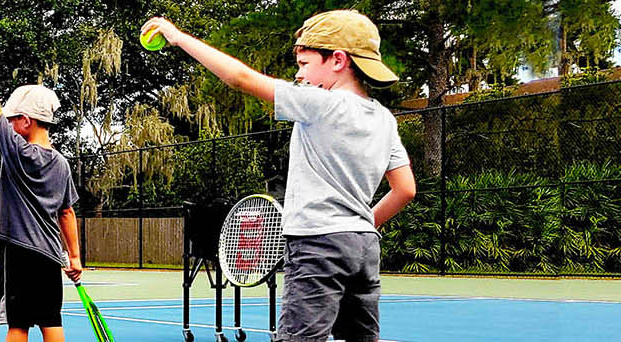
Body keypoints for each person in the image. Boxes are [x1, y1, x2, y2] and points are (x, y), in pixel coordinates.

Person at [141, 10, 418, 342]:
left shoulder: (320, 104)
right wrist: (358, 224)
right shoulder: (384, 119)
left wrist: (177, 36)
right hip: (363, 247)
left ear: (338, 60)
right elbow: (405, 189)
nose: (299, 74)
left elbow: (240, 79)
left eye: (304, 64)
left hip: (318, 245)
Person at [0, 39, 84, 342]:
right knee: (51, 322)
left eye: (13, 118)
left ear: (26, 121)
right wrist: (74, 257)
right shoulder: (61, 163)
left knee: (18, 325)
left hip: (19, 252)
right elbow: (67, 212)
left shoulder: (17, 151)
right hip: (50, 255)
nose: (7, 122)